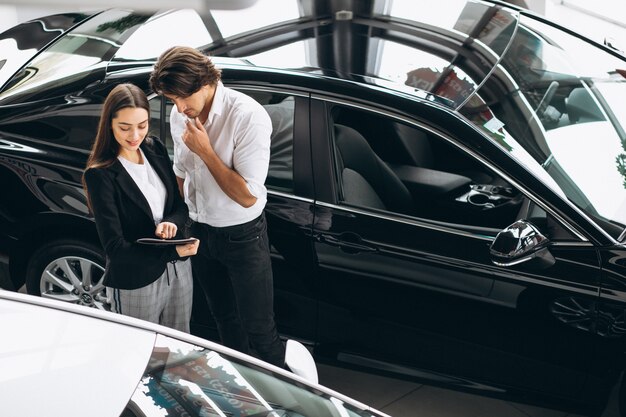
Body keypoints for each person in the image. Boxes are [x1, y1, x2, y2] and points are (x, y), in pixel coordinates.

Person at [149, 46, 285, 367]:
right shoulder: (182, 111)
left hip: (242, 237)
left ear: (207, 82)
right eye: (172, 100)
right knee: (223, 319)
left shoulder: (247, 117)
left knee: (260, 330)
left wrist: (207, 151)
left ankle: (284, 404)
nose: (179, 108)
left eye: (183, 98)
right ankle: (242, 396)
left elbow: (248, 195)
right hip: (198, 232)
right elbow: (181, 174)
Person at [82, 83, 199, 332]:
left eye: (142, 126)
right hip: (136, 279)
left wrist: (172, 223)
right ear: (109, 124)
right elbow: (116, 248)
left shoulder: (153, 147)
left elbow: (179, 205)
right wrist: (174, 252)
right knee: (139, 351)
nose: (135, 135)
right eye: (125, 127)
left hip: (178, 272)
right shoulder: (100, 175)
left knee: (180, 344)